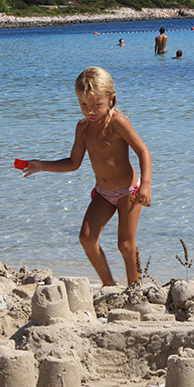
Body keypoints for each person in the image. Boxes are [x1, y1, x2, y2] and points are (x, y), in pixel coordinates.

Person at [21, 66, 152, 287]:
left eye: (96, 105)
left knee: (126, 245)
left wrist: (146, 185)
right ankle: (109, 285)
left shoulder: (117, 122)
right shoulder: (82, 128)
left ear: (111, 99)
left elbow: (143, 151)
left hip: (129, 192)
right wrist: (42, 166)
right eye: (84, 105)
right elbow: (74, 163)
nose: (90, 111)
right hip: (103, 193)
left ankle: (135, 288)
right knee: (87, 238)